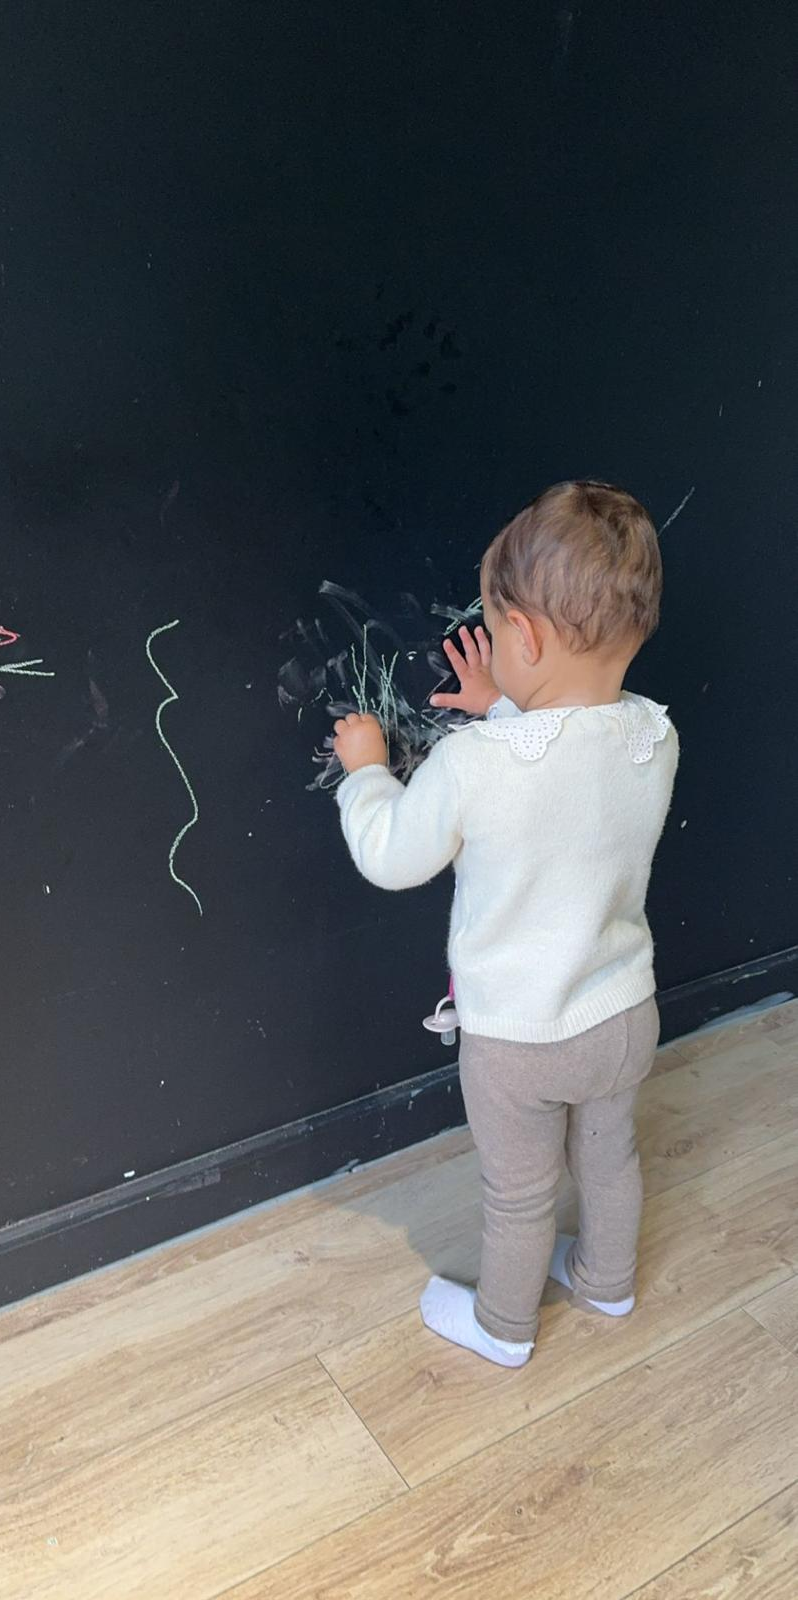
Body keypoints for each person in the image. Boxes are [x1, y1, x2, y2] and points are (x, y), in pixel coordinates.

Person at [333, 480, 678, 1367]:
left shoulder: (472, 766)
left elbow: (391, 855)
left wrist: (366, 772)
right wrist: (501, 703)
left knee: (519, 1194)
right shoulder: (653, 738)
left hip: (518, 1041)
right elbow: (568, 780)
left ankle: (502, 1327)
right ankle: (606, 1283)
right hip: (622, 1013)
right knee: (609, 1158)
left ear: (519, 636)